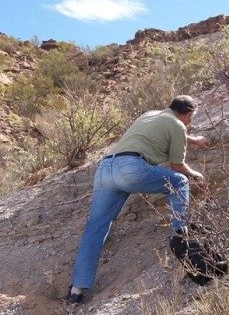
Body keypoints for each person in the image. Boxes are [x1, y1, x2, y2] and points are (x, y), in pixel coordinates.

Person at [67, 95, 210, 304]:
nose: (190, 123)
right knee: (179, 181)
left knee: (96, 228)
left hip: (105, 170)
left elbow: (171, 131)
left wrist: (193, 140)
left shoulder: (151, 115)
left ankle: (77, 290)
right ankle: (182, 234)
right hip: (131, 169)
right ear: (188, 113)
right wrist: (197, 175)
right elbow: (177, 167)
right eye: (191, 118)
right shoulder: (178, 125)